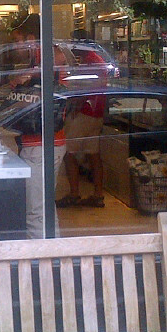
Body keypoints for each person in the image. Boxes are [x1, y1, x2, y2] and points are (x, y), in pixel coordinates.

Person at [0, 13, 67, 238]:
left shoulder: (48, 55)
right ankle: (52, 251)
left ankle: (43, 256)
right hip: (41, 143)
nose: (16, 46)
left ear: (30, 38)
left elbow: (50, 78)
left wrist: (28, 77)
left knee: (36, 212)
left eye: (18, 41)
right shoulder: (41, 58)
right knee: (41, 208)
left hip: (42, 145)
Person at [58, 29, 107, 208]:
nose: (73, 47)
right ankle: (98, 195)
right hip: (96, 114)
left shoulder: (90, 62)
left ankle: (74, 194)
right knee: (93, 154)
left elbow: (85, 88)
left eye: (75, 43)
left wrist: (75, 105)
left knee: (68, 153)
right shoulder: (96, 60)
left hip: (84, 113)